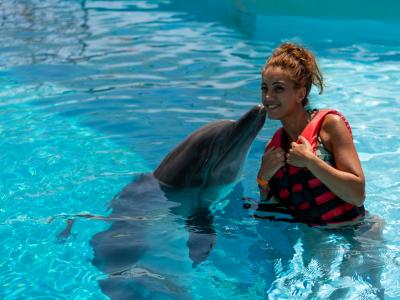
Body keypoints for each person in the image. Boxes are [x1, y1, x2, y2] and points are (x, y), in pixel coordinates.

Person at [256, 42, 366, 227]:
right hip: (315, 237)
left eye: (279, 88)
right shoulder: (274, 147)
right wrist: (262, 178)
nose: (268, 97)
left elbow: (357, 196)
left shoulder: (330, 126)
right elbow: (274, 206)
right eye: (265, 88)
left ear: (300, 94)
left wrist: (310, 161)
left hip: (358, 233)